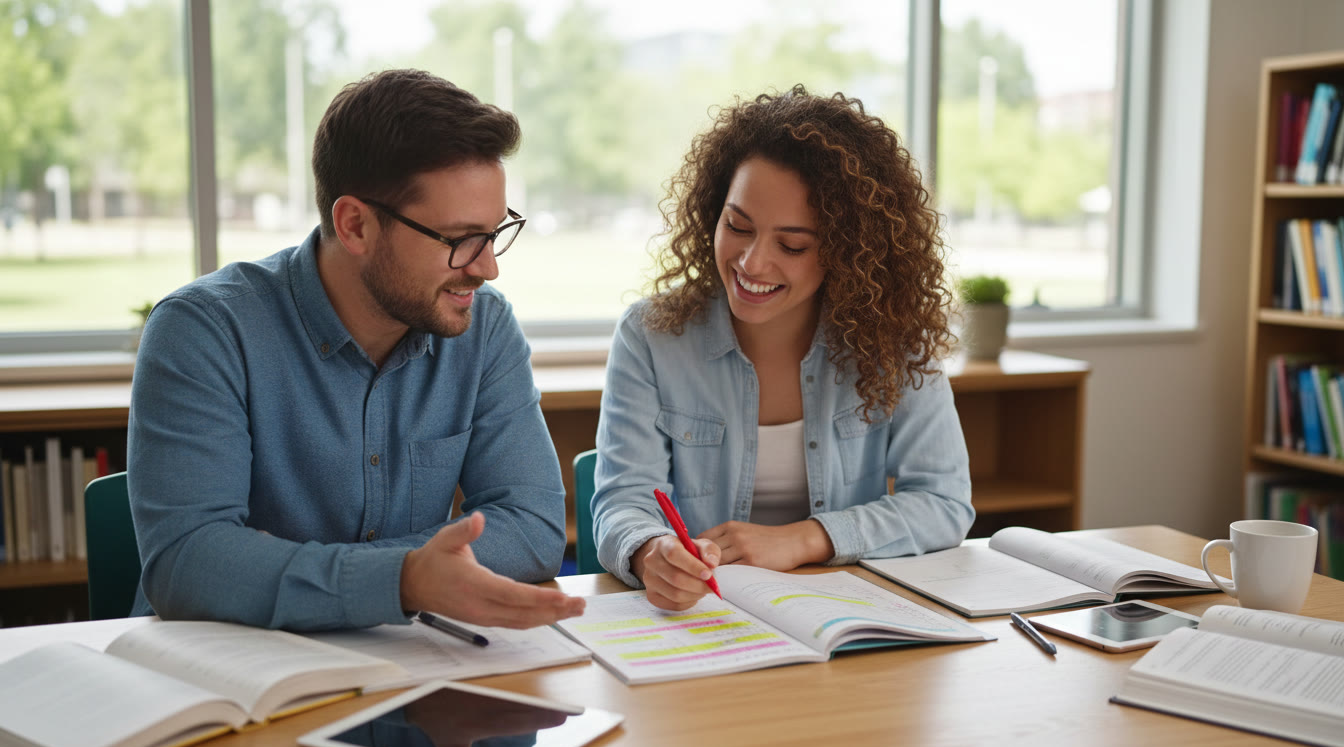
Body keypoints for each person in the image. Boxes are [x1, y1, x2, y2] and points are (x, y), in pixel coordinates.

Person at [127, 70, 584, 631]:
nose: (487, 268)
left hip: (404, 674)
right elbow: (189, 564)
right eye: (460, 239)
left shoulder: (483, 329)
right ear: (355, 225)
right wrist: (404, 579)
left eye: (494, 233)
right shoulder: (203, 331)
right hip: (230, 684)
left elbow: (533, 526)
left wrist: (283, 566)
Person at [592, 85, 974, 610]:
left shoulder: (894, 338)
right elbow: (623, 500)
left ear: (849, 251)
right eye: (737, 226)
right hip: (711, 616)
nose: (751, 263)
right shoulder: (651, 336)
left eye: (792, 245)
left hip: (847, 616)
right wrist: (649, 551)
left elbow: (944, 502)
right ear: (713, 213)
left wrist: (804, 538)